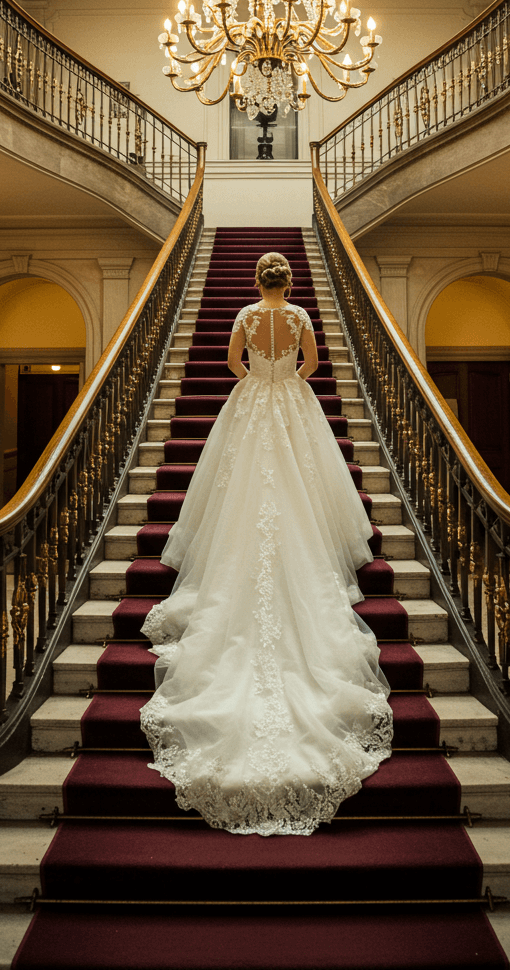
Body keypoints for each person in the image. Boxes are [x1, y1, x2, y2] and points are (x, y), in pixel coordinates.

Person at [139, 251, 392, 836]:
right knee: (300, 489)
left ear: (257, 283)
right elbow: (312, 365)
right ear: (291, 282)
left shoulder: (246, 316)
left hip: (252, 402)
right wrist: (288, 382)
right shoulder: (301, 315)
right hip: (291, 405)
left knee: (244, 488)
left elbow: (231, 364)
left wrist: (258, 379)